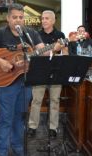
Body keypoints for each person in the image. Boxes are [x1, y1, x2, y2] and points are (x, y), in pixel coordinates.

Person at [0, 3, 45, 156]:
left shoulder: (31, 34)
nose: (18, 20)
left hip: (26, 82)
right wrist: (2, 62)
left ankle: (18, 149)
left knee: (19, 118)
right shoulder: (0, 34)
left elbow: (41, 50)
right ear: (8, 18)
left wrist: (52, 48)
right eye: (14, 17)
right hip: (6, 83)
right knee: (5, 119)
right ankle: (1, 152)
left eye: (21, 17)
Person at [28, 10, 68, 138]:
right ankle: (32, 126)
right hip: (39, 72)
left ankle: (53, 127)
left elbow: (66, 53)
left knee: (55, 100)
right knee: (36, 100)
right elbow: (32, 53)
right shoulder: (36, 34)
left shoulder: (60, 35)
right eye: (42, 18)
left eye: (46, 18)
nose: (43, 20)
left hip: (56, 72)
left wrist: (62, 52)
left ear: (53, 20)